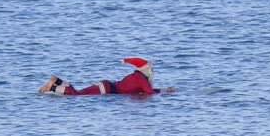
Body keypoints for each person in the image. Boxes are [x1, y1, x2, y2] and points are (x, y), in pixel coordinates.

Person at [38, 57, 176, 95]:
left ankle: (54, 85)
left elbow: (147, 90)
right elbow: (149, 92)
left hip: (106, 86)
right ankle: (54, 83)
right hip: (107, 89)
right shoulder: (141, 79)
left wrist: (165, 90)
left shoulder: (137, 77)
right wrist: (163, 92)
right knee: (76, 94)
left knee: (78, 93)